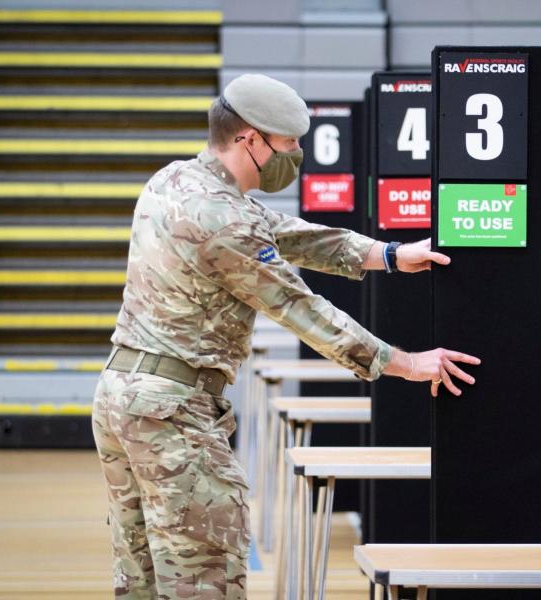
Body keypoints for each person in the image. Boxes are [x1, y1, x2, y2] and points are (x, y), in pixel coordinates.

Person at [91, 73, 480, 599]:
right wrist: (408, 364)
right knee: (205, 580)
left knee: (142, 583)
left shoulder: (176, 181)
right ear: (250, 139)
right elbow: (303, 311)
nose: (297, 153)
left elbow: (285, 232)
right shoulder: (223, 221)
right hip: (173, 414)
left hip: (122, 398)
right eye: (289, 143)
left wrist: (389, 255)